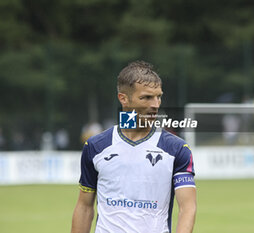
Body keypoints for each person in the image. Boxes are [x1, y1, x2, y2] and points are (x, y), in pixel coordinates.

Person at [71, 61, 196, 233]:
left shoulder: (177, 148)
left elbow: (187, 208)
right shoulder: (95, 147)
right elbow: (84, 207)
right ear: (123, 98)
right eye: (146, 97)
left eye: (158, 96)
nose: (155, 104)